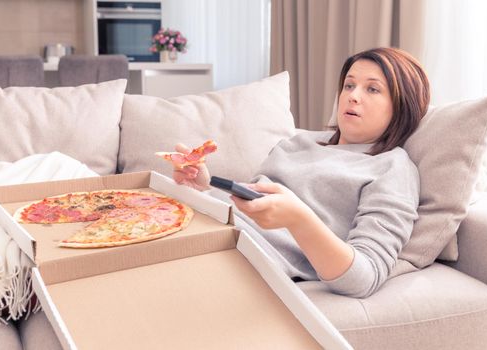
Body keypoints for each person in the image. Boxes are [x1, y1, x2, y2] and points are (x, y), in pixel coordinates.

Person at [173, 47, 430, 298]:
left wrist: (298, 219)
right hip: (201, 224)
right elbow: (253, 205)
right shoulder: (298, 141)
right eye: (349, 85)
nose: (352, 96)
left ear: (401, 105)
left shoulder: (393, 168)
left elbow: (364, 278)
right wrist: (203, 187)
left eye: (372, 89)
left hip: (234, 255)